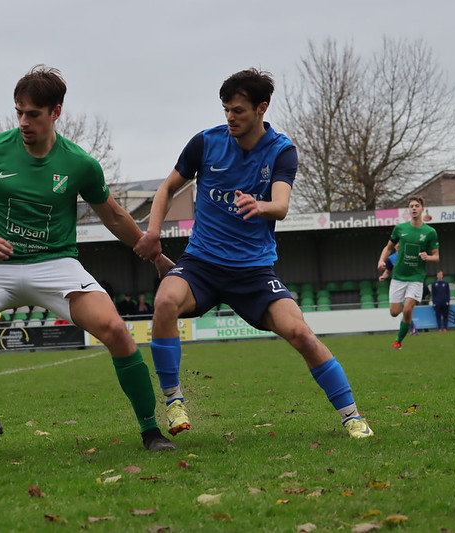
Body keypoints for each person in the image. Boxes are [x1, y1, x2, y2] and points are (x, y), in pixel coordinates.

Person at [0, 64, 177, 456]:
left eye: (33, 114)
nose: (24, 121)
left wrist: (153, 253)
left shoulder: (79, 163)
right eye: (19, 112)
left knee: (117, 331)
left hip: (57, 265)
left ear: (56, 112)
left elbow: (114, 216)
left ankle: (151, 431)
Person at [134, 68, 373, 439]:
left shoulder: (281, 150)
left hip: (254, 271)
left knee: (303, 335)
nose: (230, 117)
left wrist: (261, 206)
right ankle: (174, 400)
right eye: (226, 109)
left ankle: (352, 415)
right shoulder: (205, 143)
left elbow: (281, 205)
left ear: (262, 108)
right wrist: (153, 232)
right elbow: (167, 188)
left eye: (239, 110)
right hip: (202, 264)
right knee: (165, 301)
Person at [377, 196, 439, 349]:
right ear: (409, 210)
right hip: (399, 277)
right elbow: (388, 247)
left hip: (416, 277)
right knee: (394, 311)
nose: (414, 208)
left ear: (422, 208)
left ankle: (398, 341)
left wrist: (428, 257)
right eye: (411, 206)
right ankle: (407, 320)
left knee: (407, 309)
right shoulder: (400, 228)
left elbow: (437, 257)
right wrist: (381, 261)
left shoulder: (430, 232)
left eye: (416, 205)